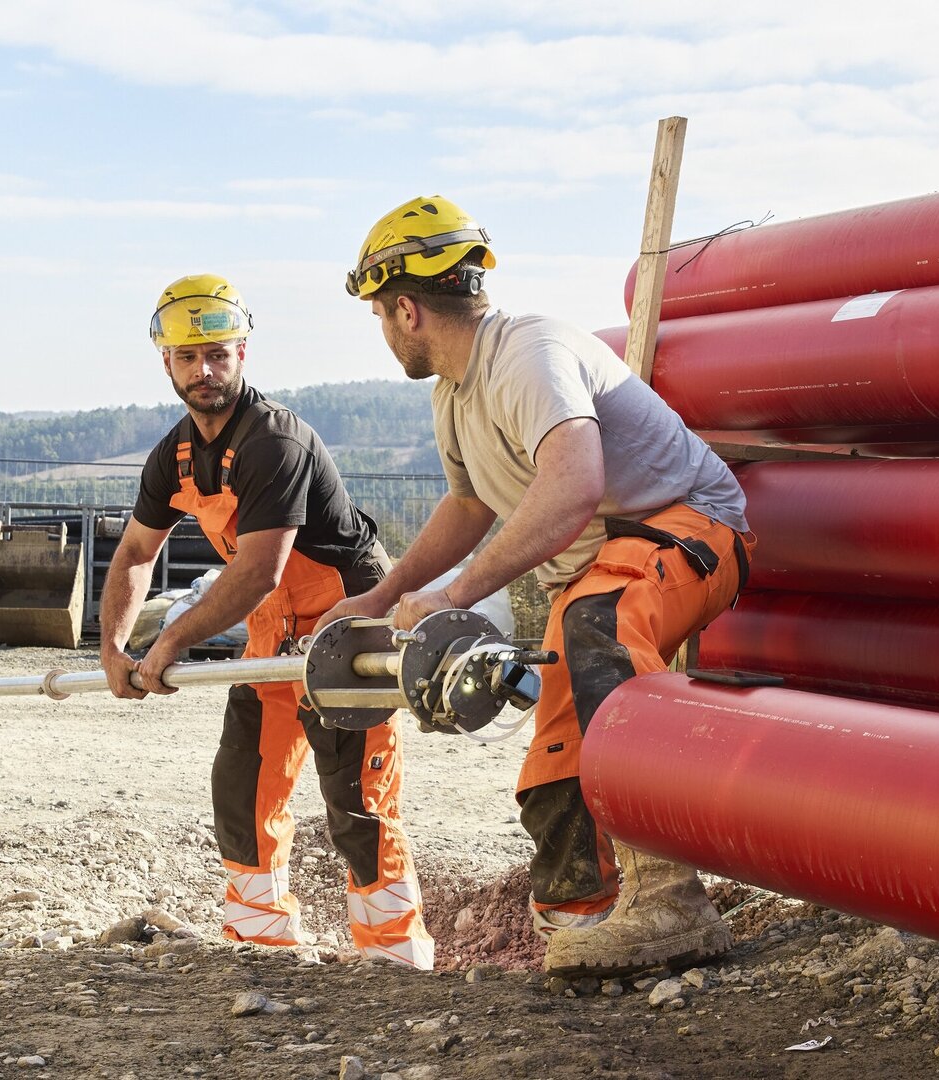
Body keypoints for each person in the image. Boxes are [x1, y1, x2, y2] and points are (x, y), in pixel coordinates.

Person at [321, 196, 753, 977]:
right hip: (597, 575)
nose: (383, 330)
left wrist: (456, 596)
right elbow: (467, 507)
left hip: (688, 529)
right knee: (556, 749)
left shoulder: (528, 353)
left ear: (406, 310)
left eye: (380, 314)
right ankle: (585, 926)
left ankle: (671, 902)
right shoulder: (454, 395)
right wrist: (382, 597)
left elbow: (575, 483)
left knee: (597, 631)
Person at [98, 274, 435, 970]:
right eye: (188, 357)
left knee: (357, 800)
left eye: (218, 354)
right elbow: (134, 552)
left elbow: (258, 570)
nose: (204, 371)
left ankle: (398, 960)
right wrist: (112, 646)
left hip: (348, 624)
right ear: (166, 362)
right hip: (272, 631)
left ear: (242, 354)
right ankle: (260, 944)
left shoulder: (273, 441)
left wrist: (169, 640)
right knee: (244, 786)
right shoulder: (174, 456)